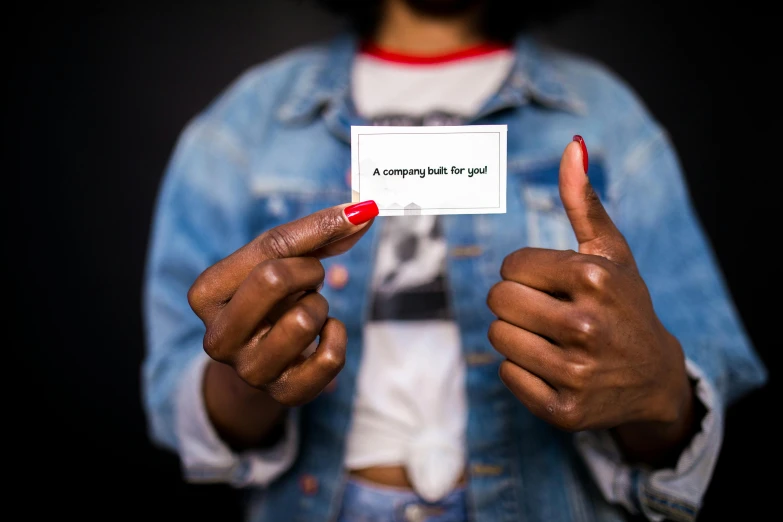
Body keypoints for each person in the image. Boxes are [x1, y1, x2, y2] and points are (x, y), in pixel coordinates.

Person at [141, 1, 768, 520]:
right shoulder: (245, 121)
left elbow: (692, 386)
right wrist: (245, 377)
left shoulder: (606, 117)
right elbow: (176, 395)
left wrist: (659, 394)